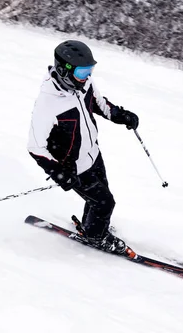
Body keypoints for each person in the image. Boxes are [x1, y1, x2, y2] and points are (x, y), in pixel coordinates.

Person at [27, 40, 139, 254]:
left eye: (90, 70)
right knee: (106, 203)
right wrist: (59, 174)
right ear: (64, 70)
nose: (87, 76)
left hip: (93, 154)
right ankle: (97, 237)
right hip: (73, 167)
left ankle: (92, 226)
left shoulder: (84, 84)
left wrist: (120, 116)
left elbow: (99, 103)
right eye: (82, 71)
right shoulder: (48, 103)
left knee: (100, 198)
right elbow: (35, 146)